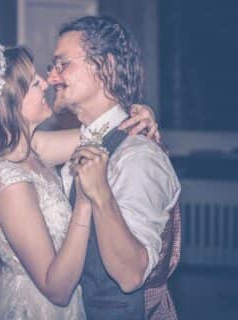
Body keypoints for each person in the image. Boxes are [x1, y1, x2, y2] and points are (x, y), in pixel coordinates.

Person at [0, 44, 159, 320]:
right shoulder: (7, 180)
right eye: (34, 83)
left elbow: (108, 133)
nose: (47, 82)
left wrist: (141, 116)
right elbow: (57, 289)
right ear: (9, 104)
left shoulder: (33, 149)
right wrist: (85, 201)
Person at [46, 16, 181, 320]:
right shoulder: (81, 143)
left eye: (62, 64)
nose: (52, 77)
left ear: (104, 67)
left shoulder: (138, 156)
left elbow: (131, 275)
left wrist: (101, 195)